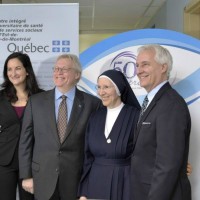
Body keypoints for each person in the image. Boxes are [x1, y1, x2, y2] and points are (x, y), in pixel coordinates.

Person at [18, 54, 101, 200]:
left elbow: (95, 147)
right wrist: (26, 175)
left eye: (64, 69)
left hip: (76, 181)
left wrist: (90, 183)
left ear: (77, 75)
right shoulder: (35, 102)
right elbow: (25, 141)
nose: (58, 73)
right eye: (56, 69)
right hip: (41, 179)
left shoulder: (92, 104)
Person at [131, 44, 191, 200]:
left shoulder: (171, 104)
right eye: (137, 65)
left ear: (163, 67)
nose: (139, 71)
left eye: (145, 64)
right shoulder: (153, 102)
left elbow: (167, 166)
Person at [78, 70, 141, 200]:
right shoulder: (95, 117)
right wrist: (84, 192)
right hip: (95, 185)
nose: (101, 92)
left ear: (119, 89)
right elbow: (87, 158)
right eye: (99, 87)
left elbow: (145, 153)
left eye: (106, 87)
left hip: (125, 184)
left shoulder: (135, 116)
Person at [0, 52, 43, 200]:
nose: (13, 73)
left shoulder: (42, 98)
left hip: (32, 162)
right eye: (9, 69)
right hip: (4, 162)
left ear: (27, 70)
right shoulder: (0, 98)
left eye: (17, 68)